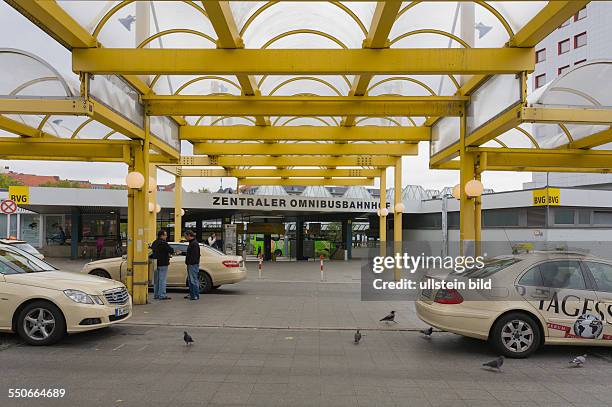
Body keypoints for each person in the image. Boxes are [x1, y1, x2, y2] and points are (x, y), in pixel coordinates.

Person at [152, 229, 174, 300]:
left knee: (156, 280)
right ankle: (162, 295)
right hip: (163, 263)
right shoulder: (163, 243)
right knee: (162, 279)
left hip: (155, 263)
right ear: (162, 235)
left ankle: (156, 295)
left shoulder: (154, 242)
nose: (166, 236)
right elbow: (171, 250)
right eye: (165, 235)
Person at [184, 230, 201, 300]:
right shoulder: (192, 243)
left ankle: (195, 295)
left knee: (193, 280)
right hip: (191, 264)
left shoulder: (194, 244)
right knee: (191, 280)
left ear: (189, 235)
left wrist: (190, 263)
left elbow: (194, 255)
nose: (185, 238)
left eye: (185, 236)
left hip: (192, 265)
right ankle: (192, 294)